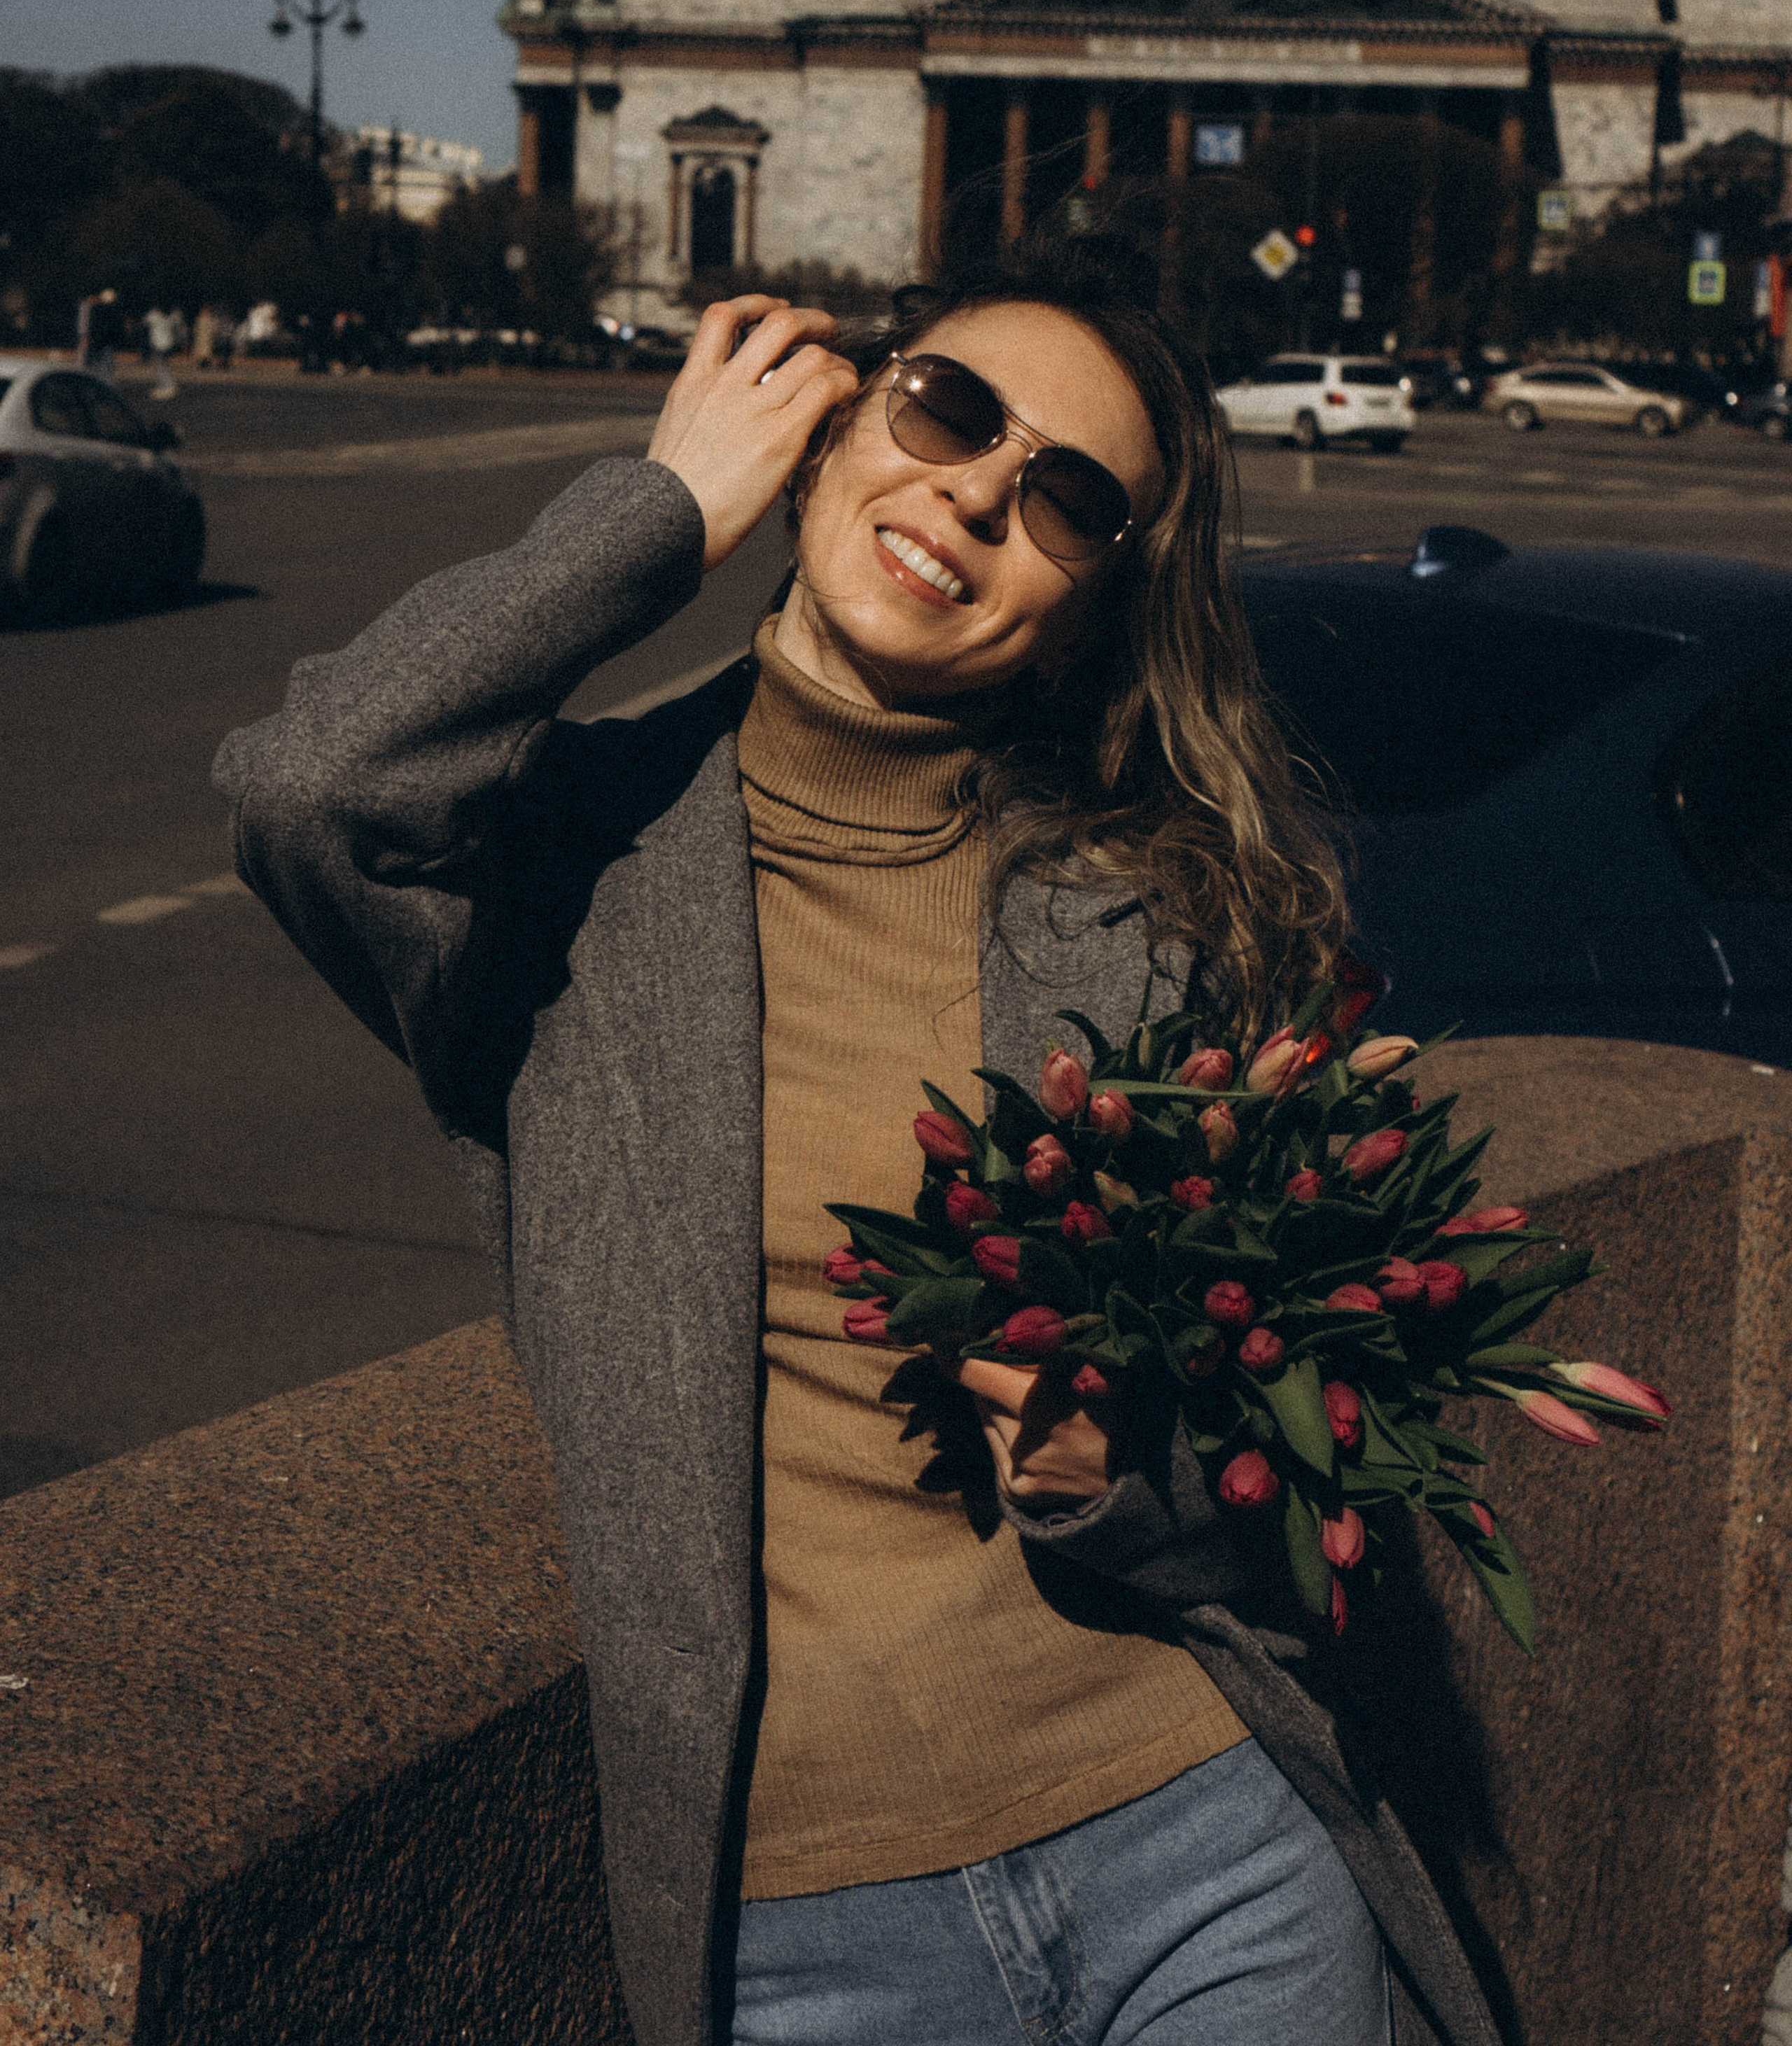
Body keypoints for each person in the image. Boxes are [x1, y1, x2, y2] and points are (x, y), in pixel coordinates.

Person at [214, 239, 1499, 2046]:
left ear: (1088, 612)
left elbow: (1309, 1457)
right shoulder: (565, 863)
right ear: (829, 432)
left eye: (1067, 498)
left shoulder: (1144, 916)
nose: (974, 493)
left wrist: (1121, 1475)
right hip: (815, 1923)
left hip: (1203, 1839)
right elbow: (307, 786)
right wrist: (660, 516)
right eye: (947, 410)